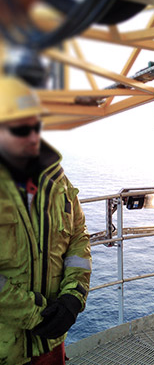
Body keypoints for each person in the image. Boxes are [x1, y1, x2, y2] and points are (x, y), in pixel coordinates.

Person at [0, 76, 92, 365]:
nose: (31, 136)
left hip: (51, 343)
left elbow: (78, 240)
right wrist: (35, 314)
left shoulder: (58, 181)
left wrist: (73, 297)